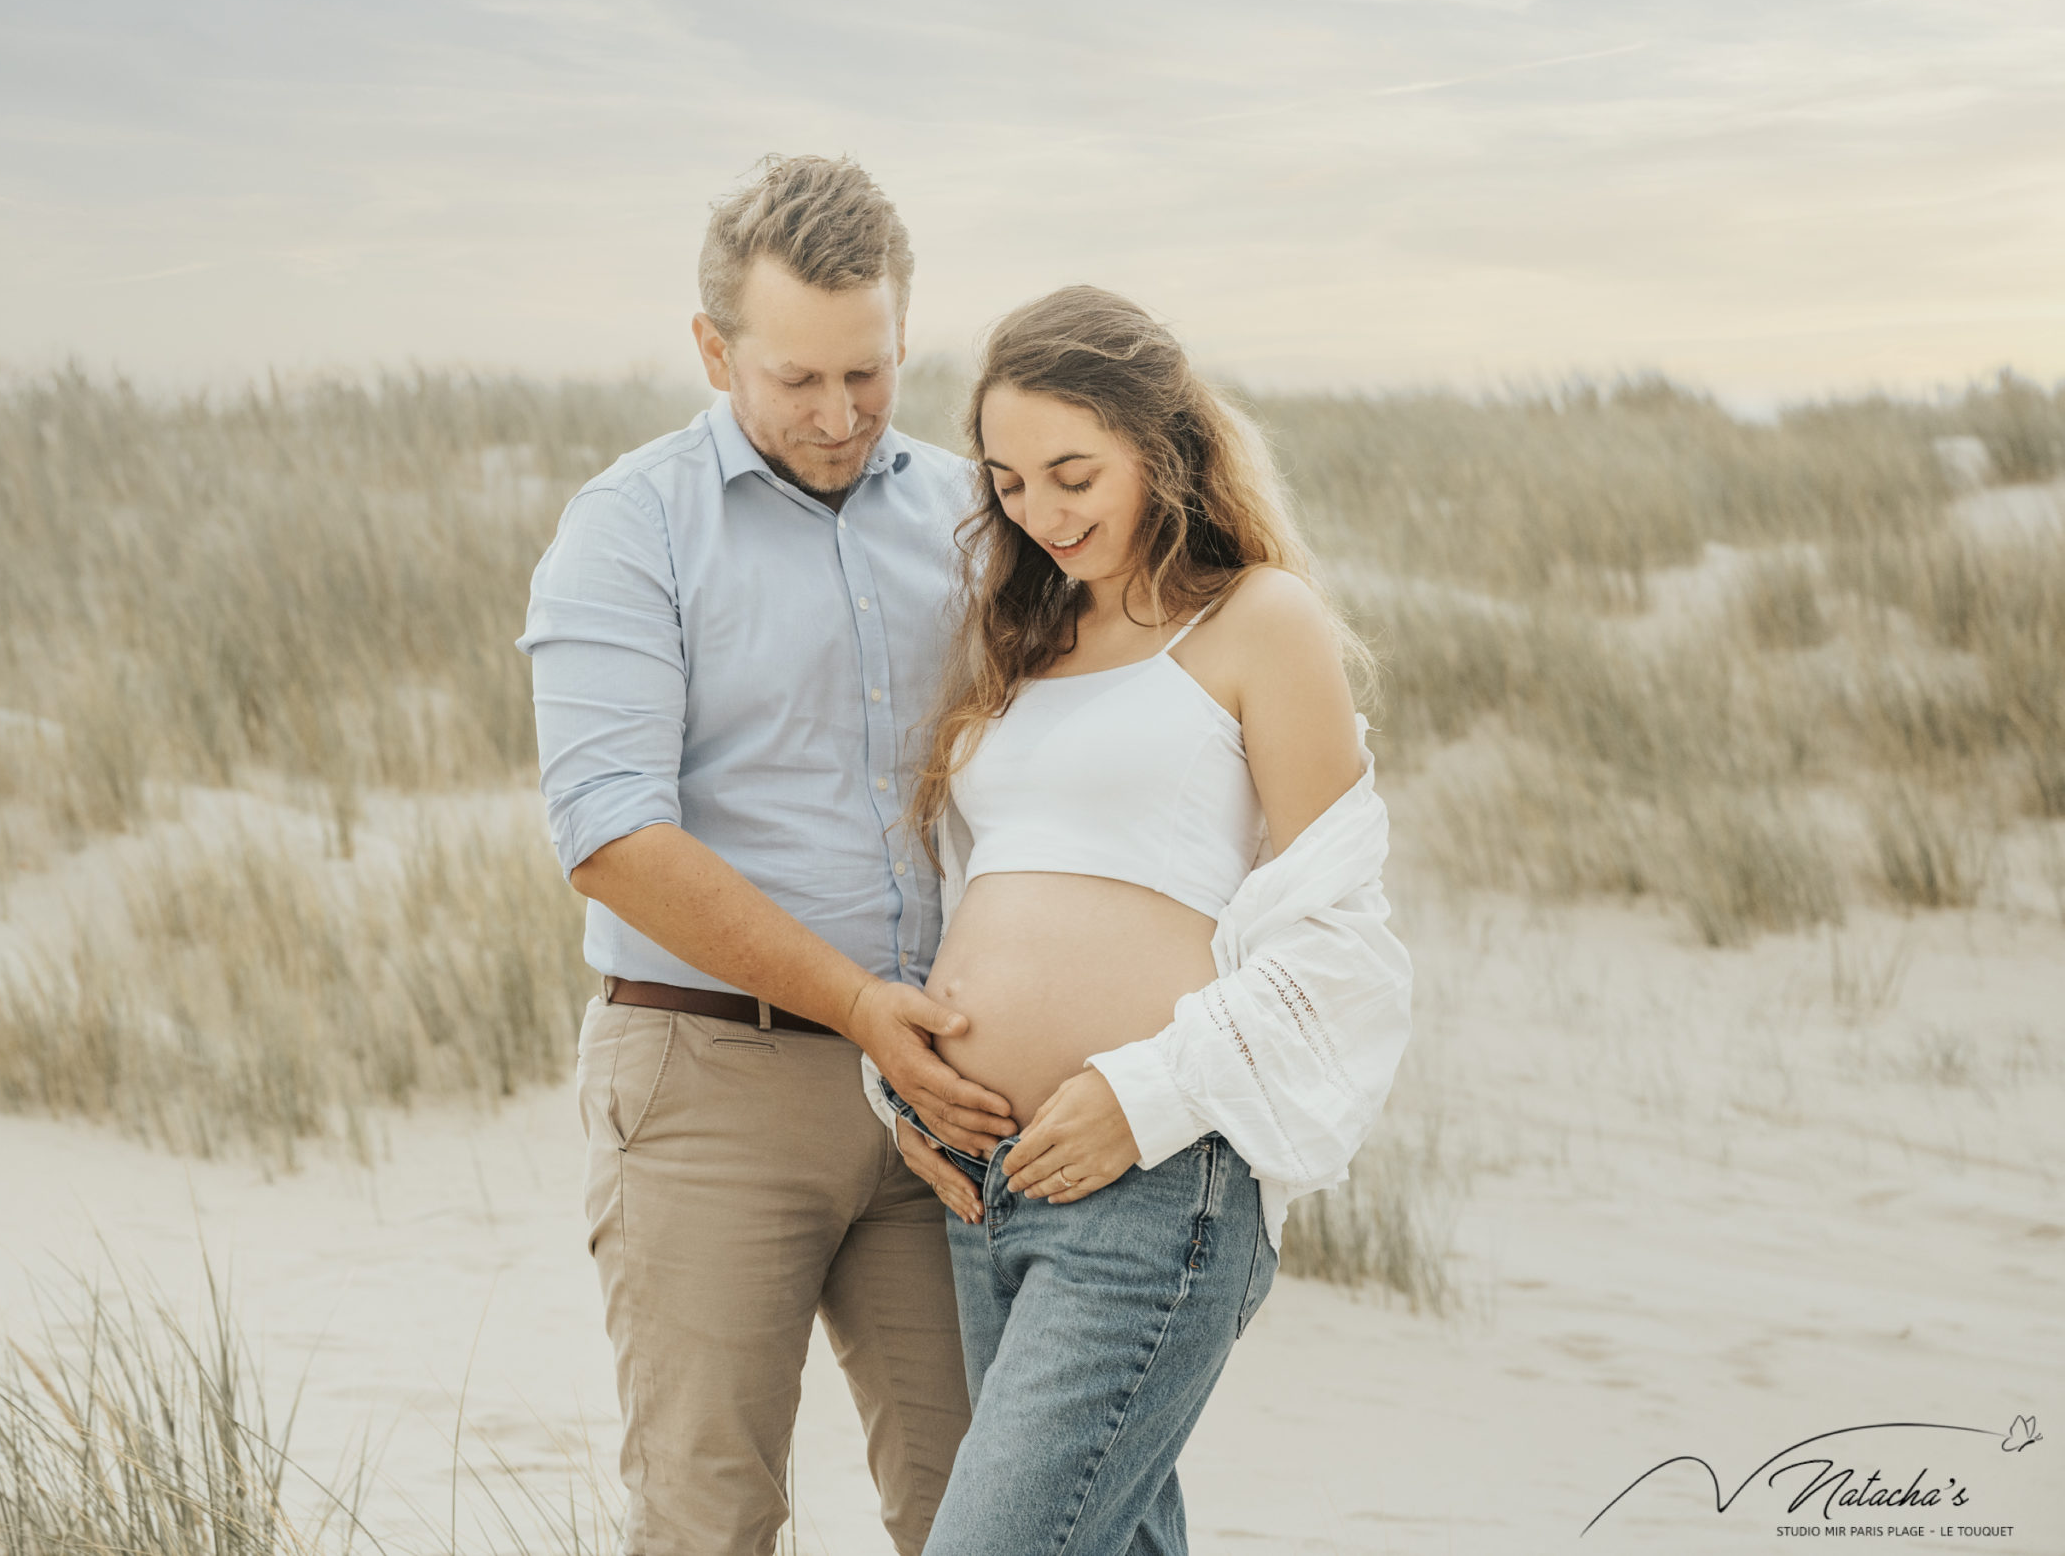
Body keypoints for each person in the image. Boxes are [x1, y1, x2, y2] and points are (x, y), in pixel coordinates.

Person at [516, 154, 1014, 1555]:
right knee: (711, 1521)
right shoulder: (629, 527)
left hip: (946, 1094)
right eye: (798, 378)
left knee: (986, 1516)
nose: (841, 414)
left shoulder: (978, 515)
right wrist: (857, 1004)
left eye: (870, 371)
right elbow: (610, 837)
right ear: (712, 346)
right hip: (708, 1085)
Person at [874, 285, 1415, 1556]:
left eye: (1073, 475)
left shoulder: (1257, 621)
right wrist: (900, 1080)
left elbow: (1341, 939)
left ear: (1161, 446)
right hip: (981, 1184)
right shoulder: (1021, 641)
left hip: (1149, 1182)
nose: (1041, 513)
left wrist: (1149, 1094)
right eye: (1008, 482)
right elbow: (970, 898)